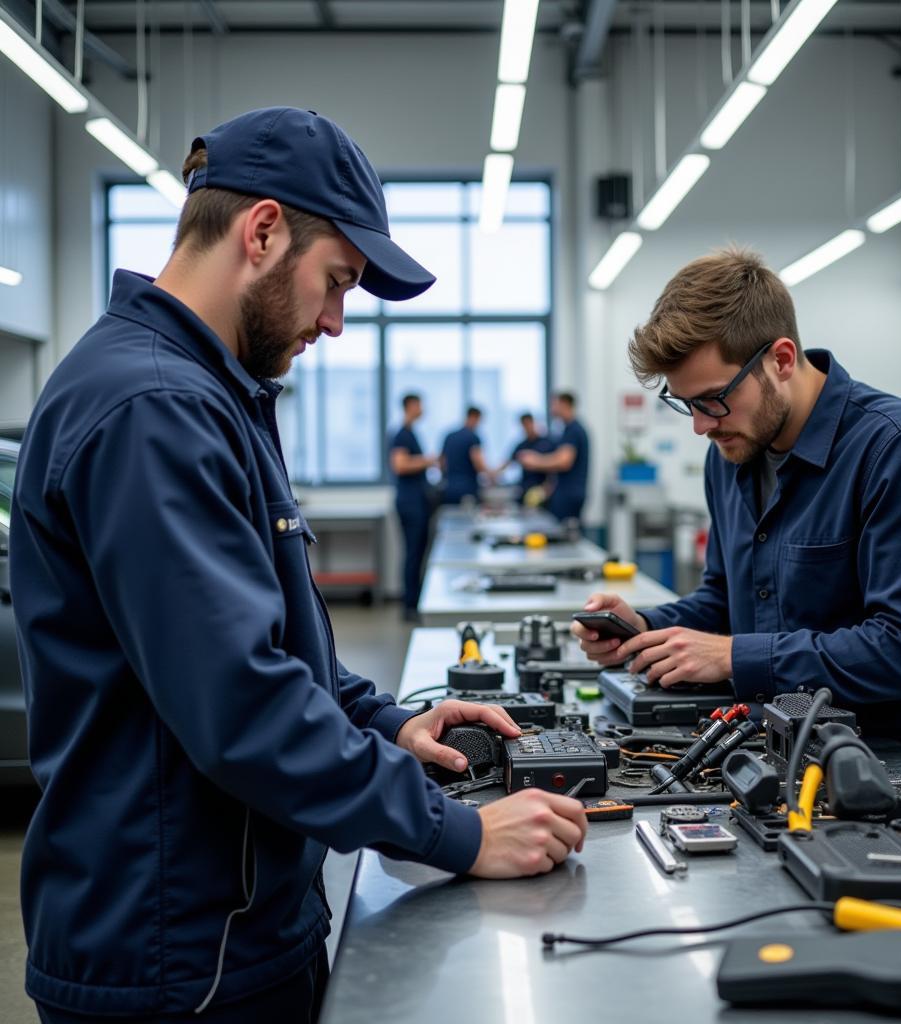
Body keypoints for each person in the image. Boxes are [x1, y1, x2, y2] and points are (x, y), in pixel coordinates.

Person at [10, 107, 587, 1024]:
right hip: (178, 955)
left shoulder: (206, 394)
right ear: (264, 230)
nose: (336, 320)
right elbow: (240, 702)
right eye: (337, 282)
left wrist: (391, 724)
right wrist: (458, 830)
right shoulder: (152, 408)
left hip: (225, 924)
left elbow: (278, 650)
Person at [571, 247, 901, 781]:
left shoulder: (898, 448)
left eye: (713, 399)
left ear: (781, 359)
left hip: (898, 763)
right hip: (777, 756)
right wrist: (647, 628)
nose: (700, 426)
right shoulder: (732, 453)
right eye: (686, 404)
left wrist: (737, 658)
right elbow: (726, 599)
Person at [389, 392, 435, 620]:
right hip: (410, 504)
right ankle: (410, 606)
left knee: (418, 553)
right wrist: (429, 460)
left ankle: (415, 601)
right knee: (413, 553)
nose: (422, 409)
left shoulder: (411, 433)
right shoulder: (402, 435)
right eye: (419, 405)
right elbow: (400, 465)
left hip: (417, 502)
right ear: (410, 406)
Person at [518, 392, 589, 521]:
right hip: (565, 492)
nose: (552, 408)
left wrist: (535, 461)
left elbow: (564, 461)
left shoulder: (573, 430)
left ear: (564, 404)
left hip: (569, 494)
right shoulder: (567, 429)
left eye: (554, 404)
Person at [496, 412, 555, 502]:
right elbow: (508, 462)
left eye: (528, 424)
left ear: (533, 423)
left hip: (541, 489)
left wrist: (547, 487)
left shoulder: (546, 443)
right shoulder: (522, 445)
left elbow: (554, 468)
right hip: (525, 487)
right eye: (524, 425)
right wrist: (493, 474)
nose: (526, 428)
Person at [439, 406, 488, 505]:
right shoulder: (473, 437)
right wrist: (491, 475)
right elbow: (478, 464)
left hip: (449, 488)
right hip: (467, 488)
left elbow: (442, 462)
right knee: (467, 519)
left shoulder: (449, 436)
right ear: (474, 418)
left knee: (450, 518)